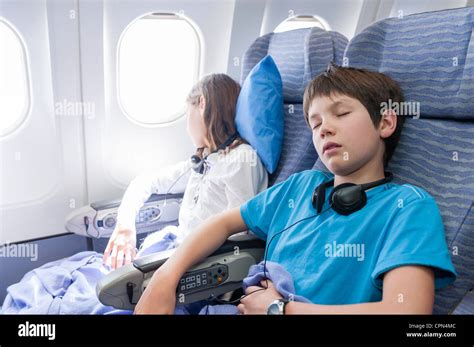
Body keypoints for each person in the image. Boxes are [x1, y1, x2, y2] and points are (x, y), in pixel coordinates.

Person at [134, 64, 456, 314]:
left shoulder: (407, 207)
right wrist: (166, 276)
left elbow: (407, 312)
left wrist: (280, 310)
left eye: (341, 113)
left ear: (385, 123)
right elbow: (223, 223)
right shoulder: (301, 187)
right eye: (314, 124)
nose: (324, 128)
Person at [103, 74, 268, 270]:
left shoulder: (241, 158)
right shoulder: (205, 159)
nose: (186, 125)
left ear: (202, 103)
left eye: (187, 112)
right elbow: (145, 182)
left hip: (198, 265)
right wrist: (125, 226)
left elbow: (241, 234)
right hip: (178, 252)